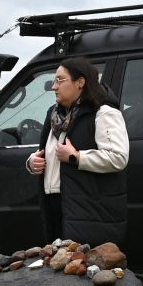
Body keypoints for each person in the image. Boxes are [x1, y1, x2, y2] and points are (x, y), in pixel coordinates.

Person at [26, 55, 129, 247]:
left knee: (80, 272)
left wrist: (76, 157)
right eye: (54, 80)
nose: (53, 87)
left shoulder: (104, 112)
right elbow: (52, 152)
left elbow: (118, 157)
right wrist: (33, 162)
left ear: (80, 82)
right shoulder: (55, 115)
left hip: (87, 211)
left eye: (60, 80)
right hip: (56, 204)